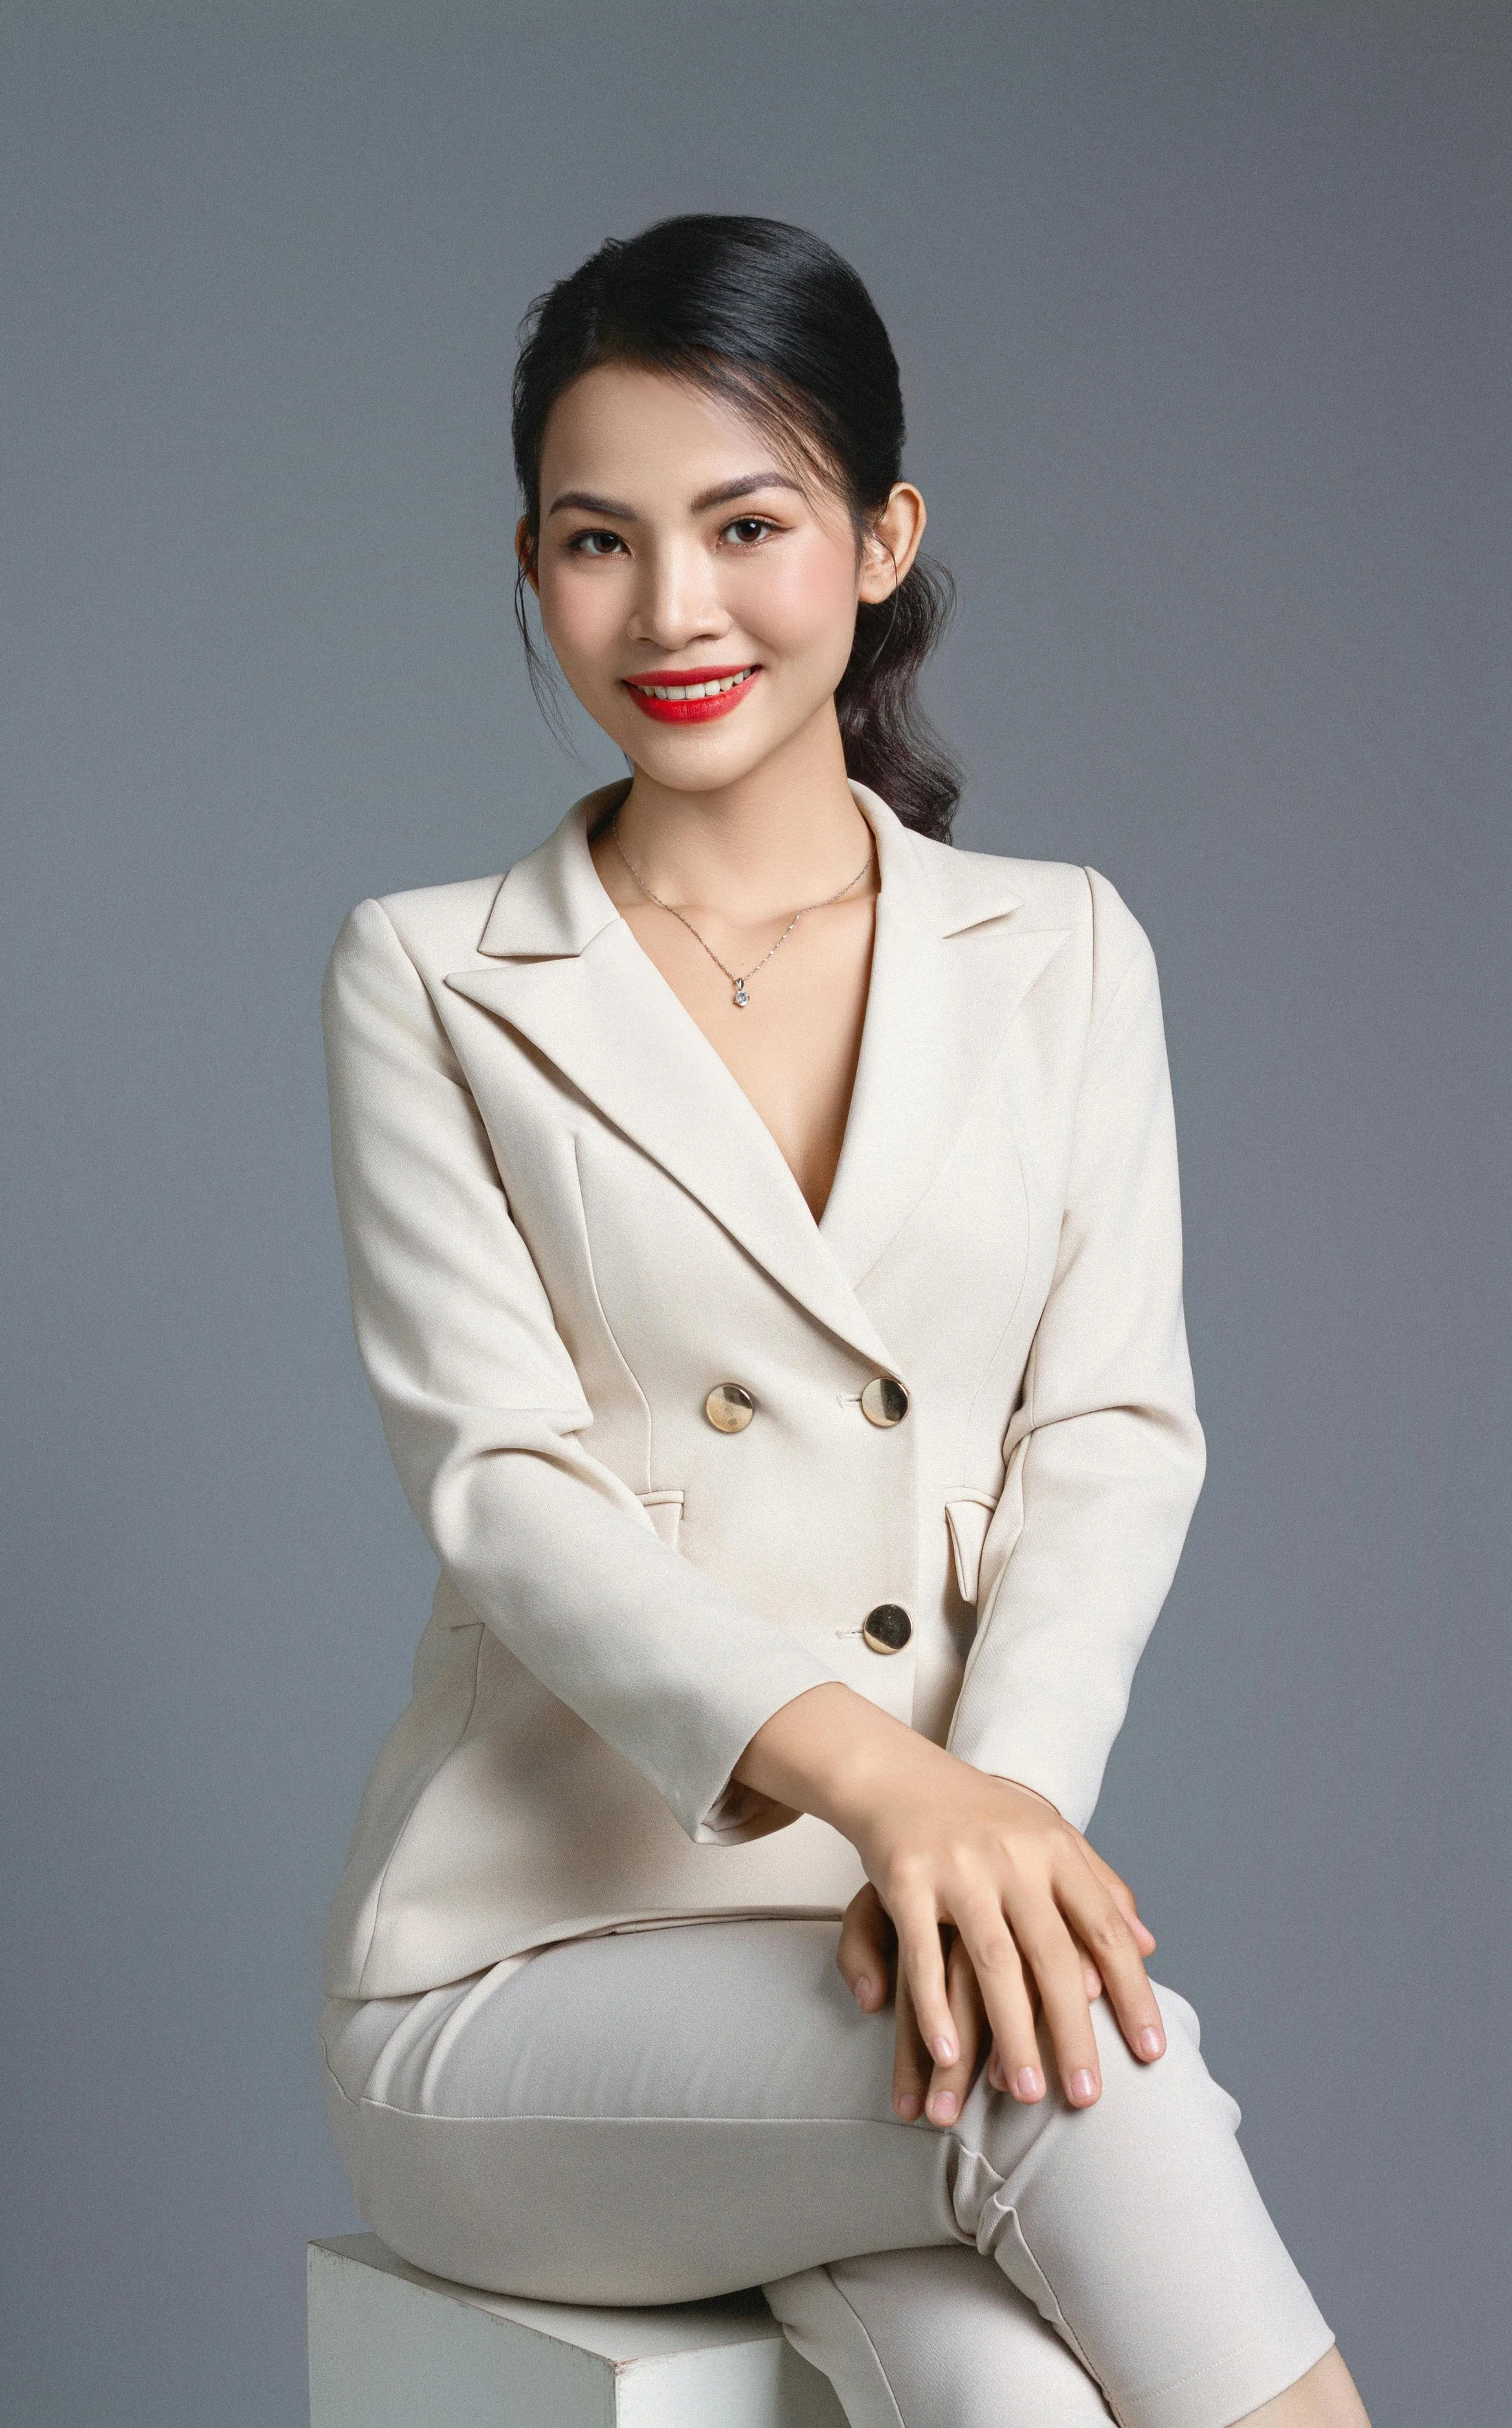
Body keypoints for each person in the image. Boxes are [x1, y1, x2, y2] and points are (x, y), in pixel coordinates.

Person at [316, 215, 1369, 2428]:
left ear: (882, 540)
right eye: (598, 541)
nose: (673, 609)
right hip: (524, 1984)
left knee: (1010, 2391)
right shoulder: (432, 974)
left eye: (747, 523)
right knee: (1090, 2087)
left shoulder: (1064, 952)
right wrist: (881, 1786)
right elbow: (505, 1488)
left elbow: (1107, 1435)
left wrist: (993, 1830)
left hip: (887, 1943)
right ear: (531, 565)